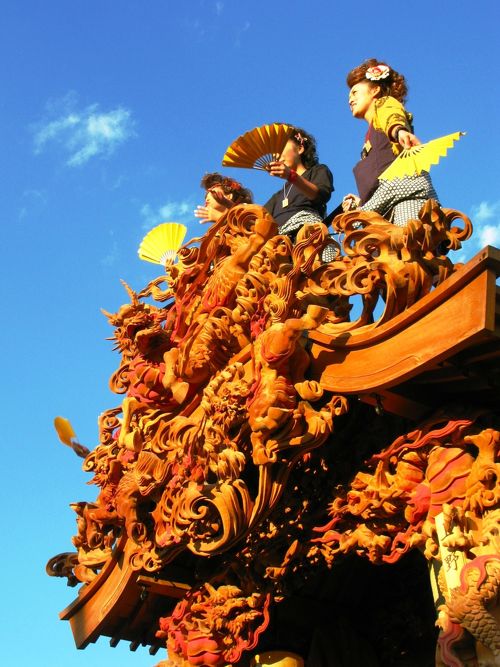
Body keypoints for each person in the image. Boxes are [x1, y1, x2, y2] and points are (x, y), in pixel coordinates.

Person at [342, 59, 438, 226]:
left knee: (409, 245)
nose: (350, 99)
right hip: (383, 209)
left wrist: (398, 130)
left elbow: (391, 116)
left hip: (404, 199)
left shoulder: (384, 105)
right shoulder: (369, 137)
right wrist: (361, 203)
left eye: (355, 92)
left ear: (375, 90)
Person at [264, 127, 335, 258]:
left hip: (309, 237)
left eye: (281, 148)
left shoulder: (318, 171)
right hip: (283, 248)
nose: (276, 155)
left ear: (300, 148)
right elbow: (260, 219)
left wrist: (291, 176)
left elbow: (320, 195)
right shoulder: (278, 196)